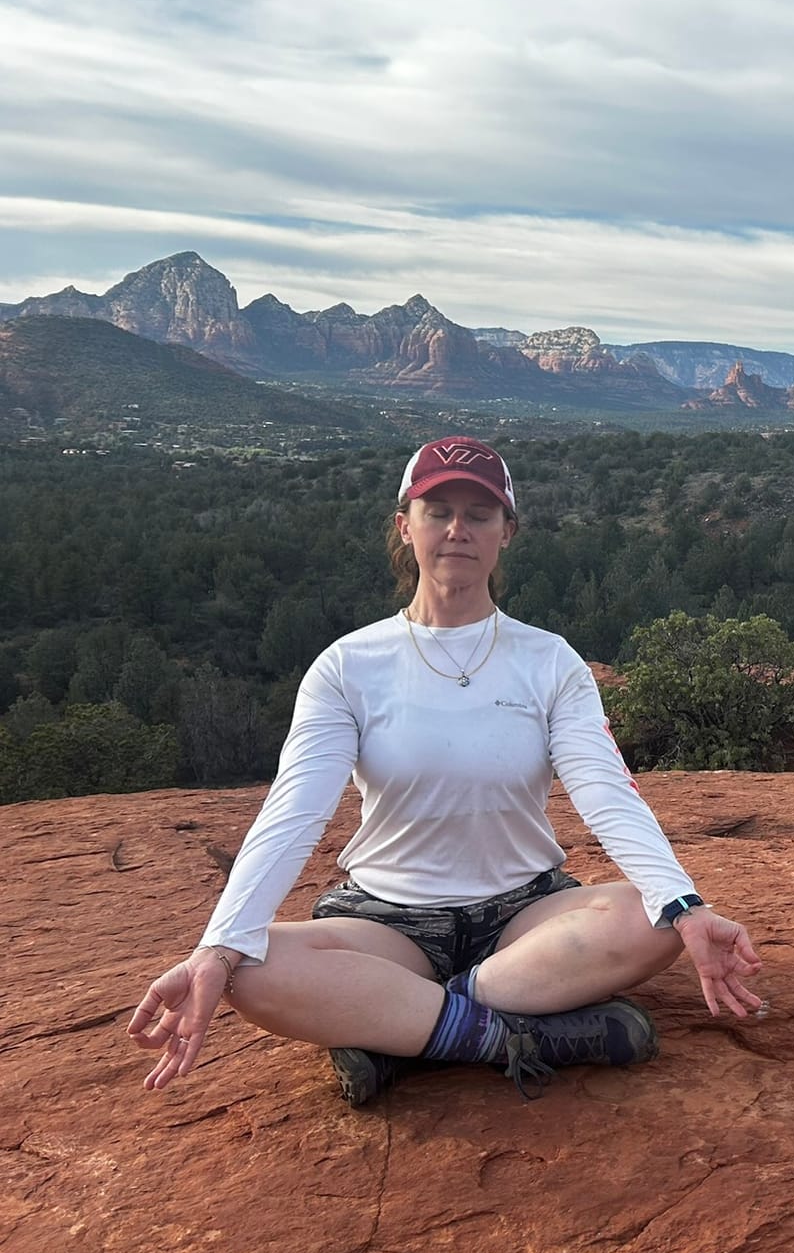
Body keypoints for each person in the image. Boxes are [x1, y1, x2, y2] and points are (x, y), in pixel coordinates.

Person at [127, 435, 762, 1107]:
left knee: (652, 914)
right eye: (439, 510)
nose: (458, 529)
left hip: (525, 914)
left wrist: (686, 905)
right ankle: (515, 1035)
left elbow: (606, 792)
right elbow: (296, 810)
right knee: (246, 970)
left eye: (480, 514)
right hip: (388, 923)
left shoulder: (549, 662)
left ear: (506, 533)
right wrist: (219, 944)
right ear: (406, 526)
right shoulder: (349, 666)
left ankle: (404, 1027)